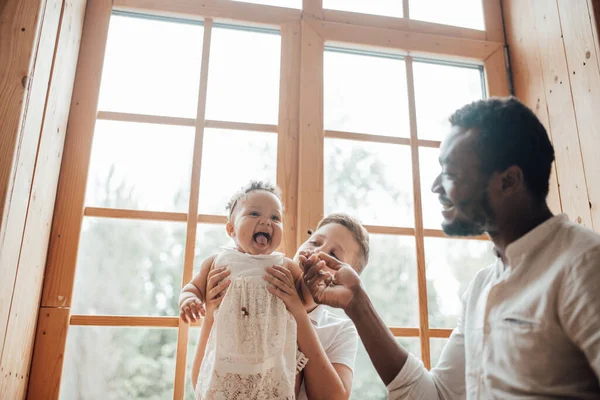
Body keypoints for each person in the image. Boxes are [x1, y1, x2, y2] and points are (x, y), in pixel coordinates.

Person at [303, 97, 600, 399]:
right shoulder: (482, 286)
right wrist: (357, 304)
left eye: (451, 174)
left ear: (508, 181)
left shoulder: (585, 265)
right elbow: (437, 396)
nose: (435, 186)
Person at [192, 213, 370, 400]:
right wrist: (212, 314)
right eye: (315, 242)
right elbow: (201, 383)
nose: (318, 253)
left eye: (333, 255)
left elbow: (332, 398)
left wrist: (298, 313)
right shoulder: (248, 302)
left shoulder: (341, 331)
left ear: (344, 281)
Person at [179, 181, 306, 399]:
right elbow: (192, 287)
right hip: (227, 360)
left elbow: (307, 299)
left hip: (271, 360)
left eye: (275, 218)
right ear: (231, 229)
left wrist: (313, 276)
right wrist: (189, 299)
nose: (266, 221)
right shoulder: (217, 262)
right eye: (254, 213)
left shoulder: (285, 266)